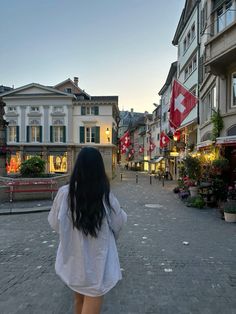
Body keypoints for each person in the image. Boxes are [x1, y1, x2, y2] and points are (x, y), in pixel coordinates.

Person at [48, 147, 127, 314]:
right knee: (93, 294)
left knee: (79, 298)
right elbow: (118, 222)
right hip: (99, 258)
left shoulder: (65, 193)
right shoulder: (105, 195)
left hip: (74, 257)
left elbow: (55, 223)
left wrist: (71, 233)